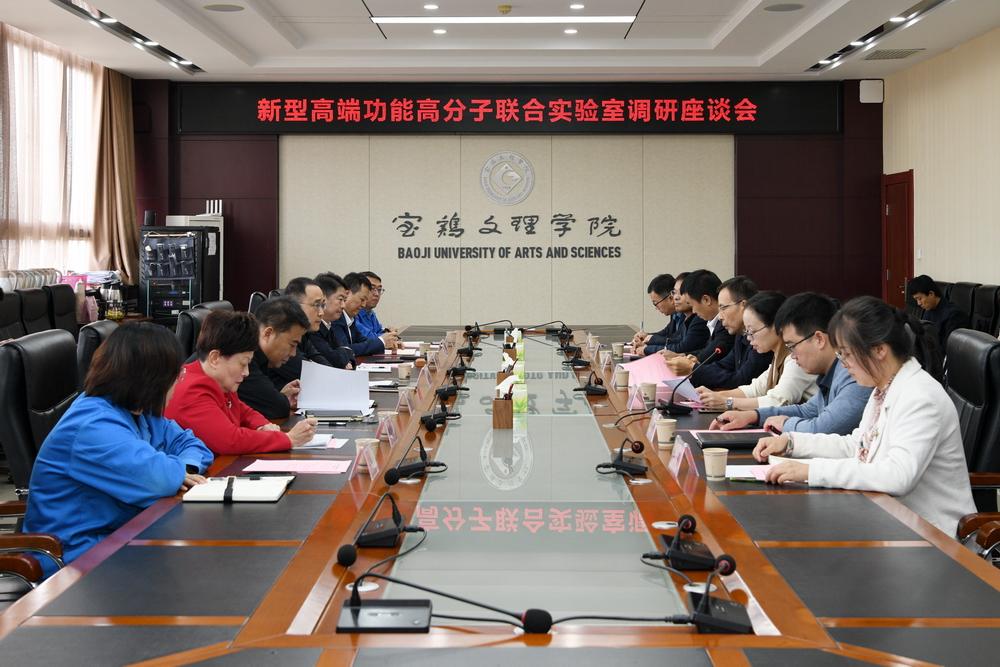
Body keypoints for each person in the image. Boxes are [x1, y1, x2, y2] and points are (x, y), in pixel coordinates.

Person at [752, 296, 973, 536]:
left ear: (879, 350)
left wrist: (811, 471)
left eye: (846, 354)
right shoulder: (883, 388)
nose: (843, 364)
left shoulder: (920, 396)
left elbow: (898, 476)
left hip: (932, 536)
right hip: (890, 520)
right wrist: (792, 443)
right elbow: (856, 446)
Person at [22, 322, 214, 575]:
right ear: (152, 379)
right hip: (75, 556)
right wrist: (176, 473)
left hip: (121, 536)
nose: (178, 383)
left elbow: (193, 445)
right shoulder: (93, 426)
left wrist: (185, 470)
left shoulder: (138, 410)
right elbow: (159, 479)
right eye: (176, 376)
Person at [712, 292, 871, 434]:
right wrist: (753, 416)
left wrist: (785, 424)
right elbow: (807, 411)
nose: (792, 356)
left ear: (819, 339)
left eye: (793, 346)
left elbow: (823, 427)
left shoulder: (853, 374)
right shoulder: (830, 372)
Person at [166, 310, 318, 454]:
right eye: (243, 364)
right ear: (214, 358)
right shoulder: (192, 390)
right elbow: (229, 440)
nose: (246, 372)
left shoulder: (218, 382)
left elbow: (242, 410)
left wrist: (262, 425)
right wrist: (288, 439)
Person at [696, 291, 818, 410]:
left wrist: (728, 402)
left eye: (752, 331)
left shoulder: (796, 358)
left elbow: (778, 401)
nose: (749, 338)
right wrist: (713, 396)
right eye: (747, 332)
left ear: (776, 326)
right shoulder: (778, 356)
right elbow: (755, 389)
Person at [686, 276, 772, 389]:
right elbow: (723, 365)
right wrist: (697, 367)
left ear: (743, 305)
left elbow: (742, 380)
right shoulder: (740, 335)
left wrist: (694, 369)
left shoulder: (761, 339)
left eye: (723, 308)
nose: (720, 316)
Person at [237, 296, 309, 420]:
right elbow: (277, 408)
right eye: (292, 344)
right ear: (268, 333)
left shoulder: (264, 358)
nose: (293, 354)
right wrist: (281, 400)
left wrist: (281, 397)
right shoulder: (242, 356)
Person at [266, 278, 336, 387]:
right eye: (316, 305)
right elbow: (309, 375)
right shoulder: (281, 335)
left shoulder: (304, 334)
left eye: (322, 305)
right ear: (294, 305)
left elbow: (325, 367)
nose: (321, 313)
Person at [332, 272, 400, 356]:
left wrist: (388, 341)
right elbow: (346, 349)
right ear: (347, 294)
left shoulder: (351, 318)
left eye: (379, 289)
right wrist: (382, 341)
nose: (364, 305)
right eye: (362, 299)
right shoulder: (336, 318)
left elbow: (364, 341)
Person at [907, 274, 968, 353]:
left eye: (920, 298)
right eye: (916, 300)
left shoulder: (954, 315)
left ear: (931, 294)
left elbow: (948, 348)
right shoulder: (928, 309)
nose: (918, 303)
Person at [314, 272, 356, 369]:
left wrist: (347, 359)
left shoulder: (328, 324)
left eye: (344, 300)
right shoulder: (313, 328)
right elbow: (333, 358)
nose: (343, 306)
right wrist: (343, 359)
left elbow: (349, 352)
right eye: (340, 299)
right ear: (323, 298)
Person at [355, 271, 397, 340]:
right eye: (372, 288)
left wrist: (388, 332)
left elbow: (378, 332)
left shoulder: (370, 312)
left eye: (379, 290)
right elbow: (367, 337)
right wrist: (389, 336)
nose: (377, 294)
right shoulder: (354, 313)